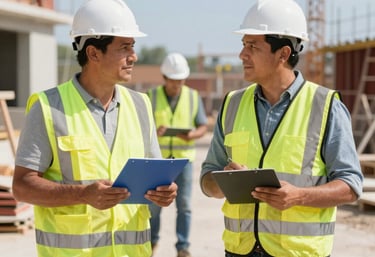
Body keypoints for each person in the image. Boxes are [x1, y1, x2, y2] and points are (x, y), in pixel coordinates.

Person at [11, 0, 178, 256]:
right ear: (93, 53)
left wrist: (164, 192)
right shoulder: (47, 107)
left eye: (132, 46)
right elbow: (23, 186)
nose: (134, 56)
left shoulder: (140, 105)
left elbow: (154, 177)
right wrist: (82, 194)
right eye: (124, 48)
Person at [200, 0, 363, 257]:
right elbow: (207, 179)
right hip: (238, 251)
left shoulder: (325, 106)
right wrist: (223, 182)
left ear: (283, 53)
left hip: (299, 253)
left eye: (252, 46)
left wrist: (299, 196)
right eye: (243, 45)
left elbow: (351, 185)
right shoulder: (232, 104)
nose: (242, 54)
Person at [147, 53, 208, 257]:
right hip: (159, 162)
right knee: (154, 205)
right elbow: (141, 129)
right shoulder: (151, 97)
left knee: (184, 205)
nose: (177, 85)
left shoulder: (192, 96)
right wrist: (155, 133)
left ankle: (183, 247)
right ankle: (151, 243)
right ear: (164, 78)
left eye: (180, 80)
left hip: (184, 162)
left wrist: (191, 135)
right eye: (173, 81)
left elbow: (202, 126)